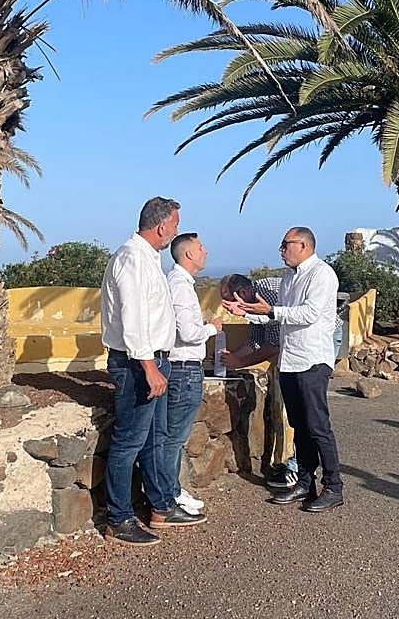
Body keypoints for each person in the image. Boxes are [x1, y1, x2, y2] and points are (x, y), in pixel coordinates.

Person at [101, 197, 206, 546]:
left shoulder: (148, 258)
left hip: (154, 360)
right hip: (137, 363)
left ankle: (161, 507)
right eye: (174, 225)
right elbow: (133, 318)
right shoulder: (132, 258)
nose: (175, 231)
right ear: (162, 226)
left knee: (154, 438)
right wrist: (148, 366)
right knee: (129, 441)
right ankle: (118, 518)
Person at [222, 227, 344, 512]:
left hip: (312, 360)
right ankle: (305, 483)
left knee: (317, 426)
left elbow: (309, 314)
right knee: (298, 426)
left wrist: (268, 311)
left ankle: (333, 486)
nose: (281, 250)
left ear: (303, 245)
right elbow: (280, 320)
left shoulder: (321, 274)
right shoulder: (290, 277)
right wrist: (249, 312)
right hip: (291, 360)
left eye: (285, 244)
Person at [218, 273, 299, 490]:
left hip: (315, 343)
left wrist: (240, 361)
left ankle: (293, 466)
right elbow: (255, 341)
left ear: (243, 293)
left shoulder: (267, 295)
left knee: (294, 408)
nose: (228, 309)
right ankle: (286, 462)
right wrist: (230, 358)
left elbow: (274, 344)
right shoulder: (251, 303)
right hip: (291, 348)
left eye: (230, 301)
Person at [165, 232, 222, 516]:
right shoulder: (180, 285)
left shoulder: (179, 283)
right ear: (188, 254)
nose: (205, 251)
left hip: (184, 368)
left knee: (174, 437)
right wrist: (212, 328)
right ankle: (169, 496)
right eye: (200, 247)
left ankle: (171, 491)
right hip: (183, 369)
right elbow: (187, 333)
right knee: (174, 438)